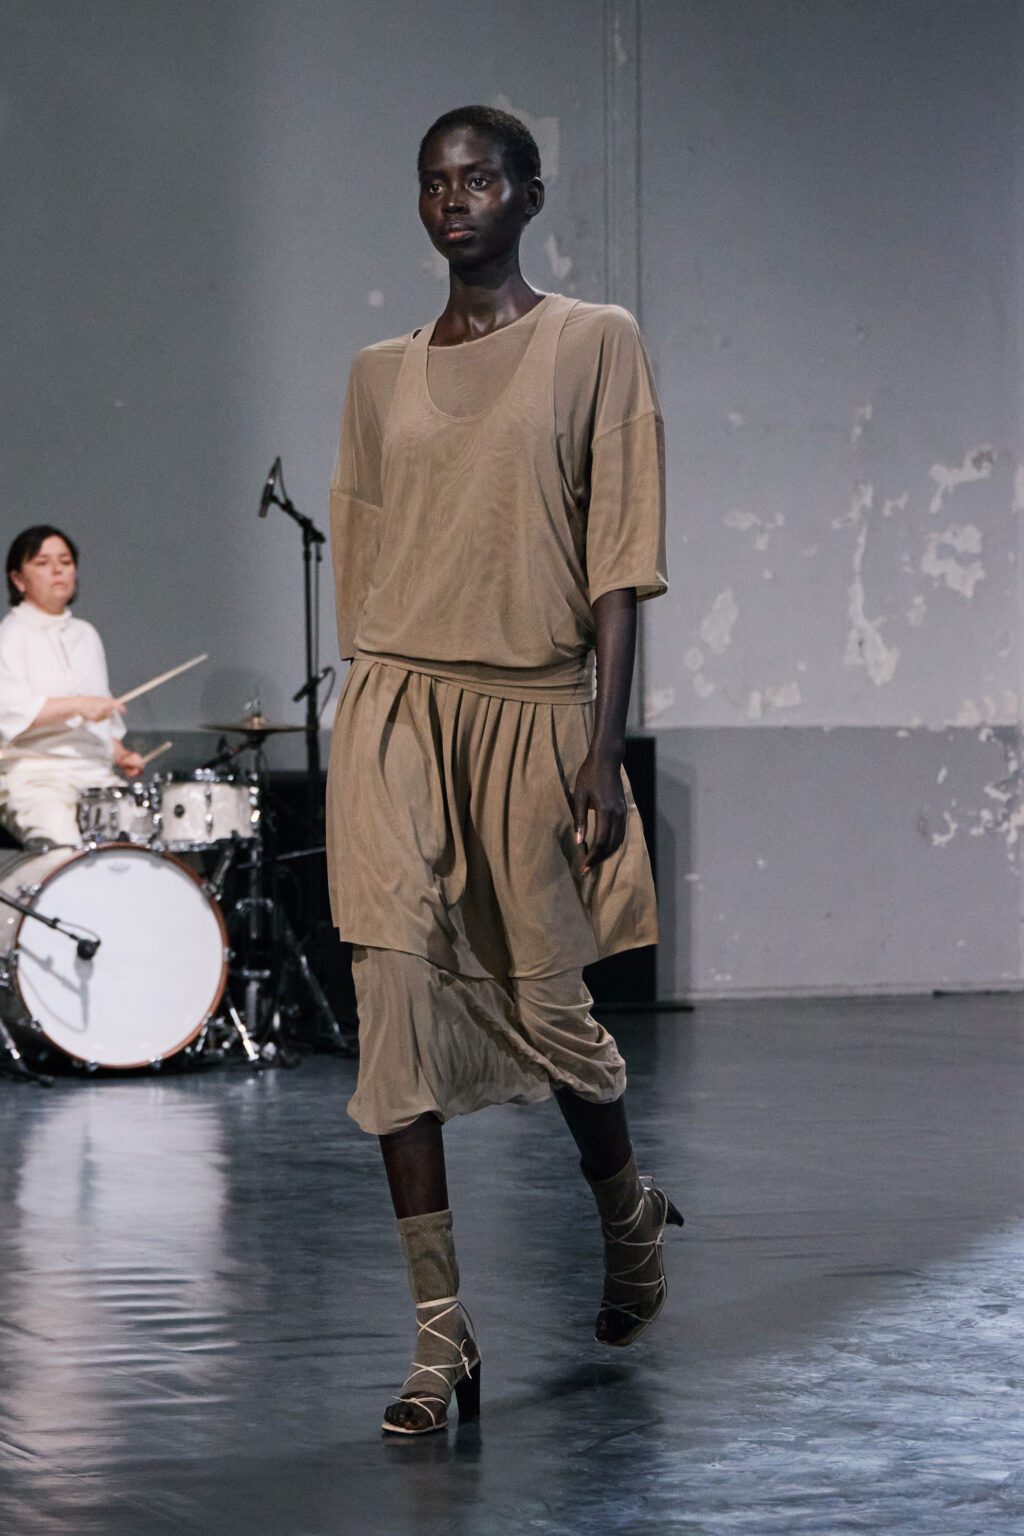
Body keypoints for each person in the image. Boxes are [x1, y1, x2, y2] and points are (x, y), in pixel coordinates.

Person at [326, 105, 679, 1437]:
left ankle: (627, 1216)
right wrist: (376, 706)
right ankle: (439, 1337)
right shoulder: (378, 375)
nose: (454, 200)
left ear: (530, 194)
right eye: (434, 182)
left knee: (553, 1011)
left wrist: (601, 749)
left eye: (479, 179)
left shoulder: (594, 341)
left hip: (535, 715)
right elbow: (366, 557)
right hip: (397, 710)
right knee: (392, 1001)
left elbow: (620, 559)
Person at [0, 526, 145, 848]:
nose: (57, 570)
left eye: (65, 562)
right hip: (36, 776)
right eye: (42, 563)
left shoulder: (86, 635)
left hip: (94, 773)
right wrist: (78, 705)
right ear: (18, 580)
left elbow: (100, 720)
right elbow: (10, 713)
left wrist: (121, 754)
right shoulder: (10, 635)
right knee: (63, 848)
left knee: (139, 841)